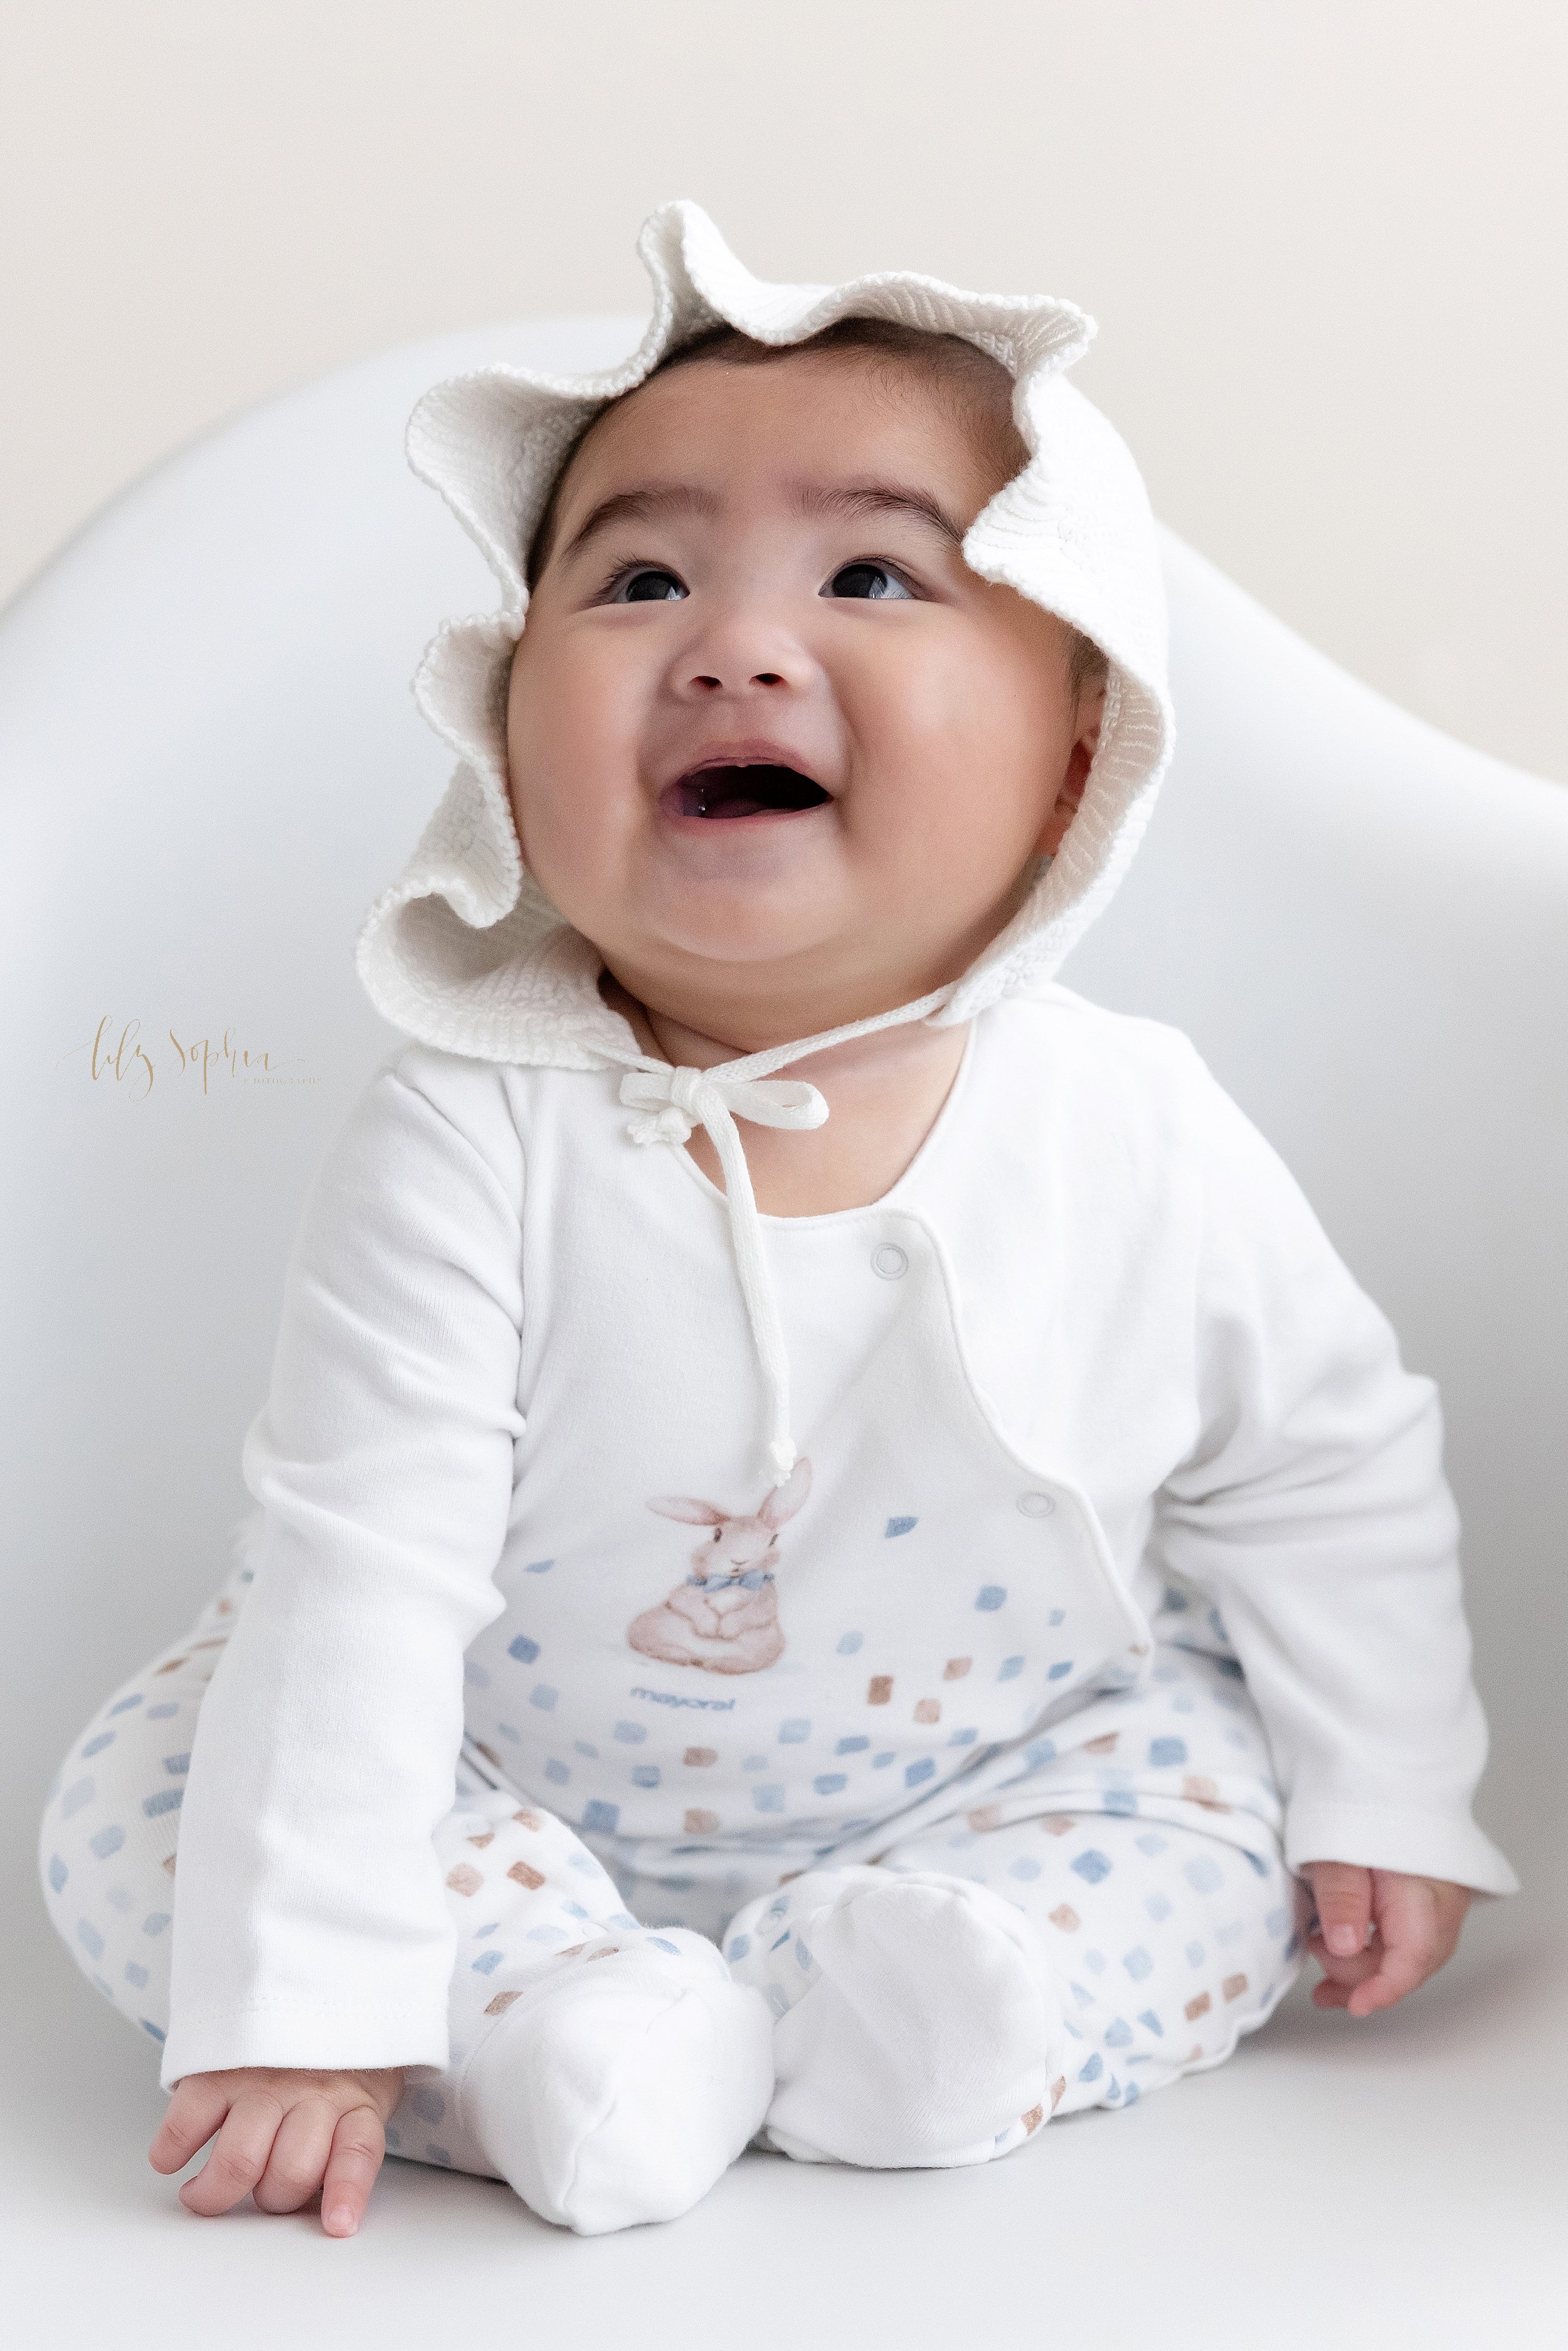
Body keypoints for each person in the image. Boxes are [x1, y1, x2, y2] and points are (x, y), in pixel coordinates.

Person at [39, 199, 1517, 2239]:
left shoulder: (1131, 1124)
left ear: (1080, 745)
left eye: (872, 572)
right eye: (636, 573)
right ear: (501, 719)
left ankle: (940, 2008)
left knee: (1217, 1806)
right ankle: (561, 2034)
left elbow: (1321, 1466)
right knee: (149, 1809)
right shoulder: (473, 1131)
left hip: (1000, 1777)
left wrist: (1381, 1786)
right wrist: (308, 2008)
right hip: (507, 1792)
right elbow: (358, 1573)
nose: (733, 641)